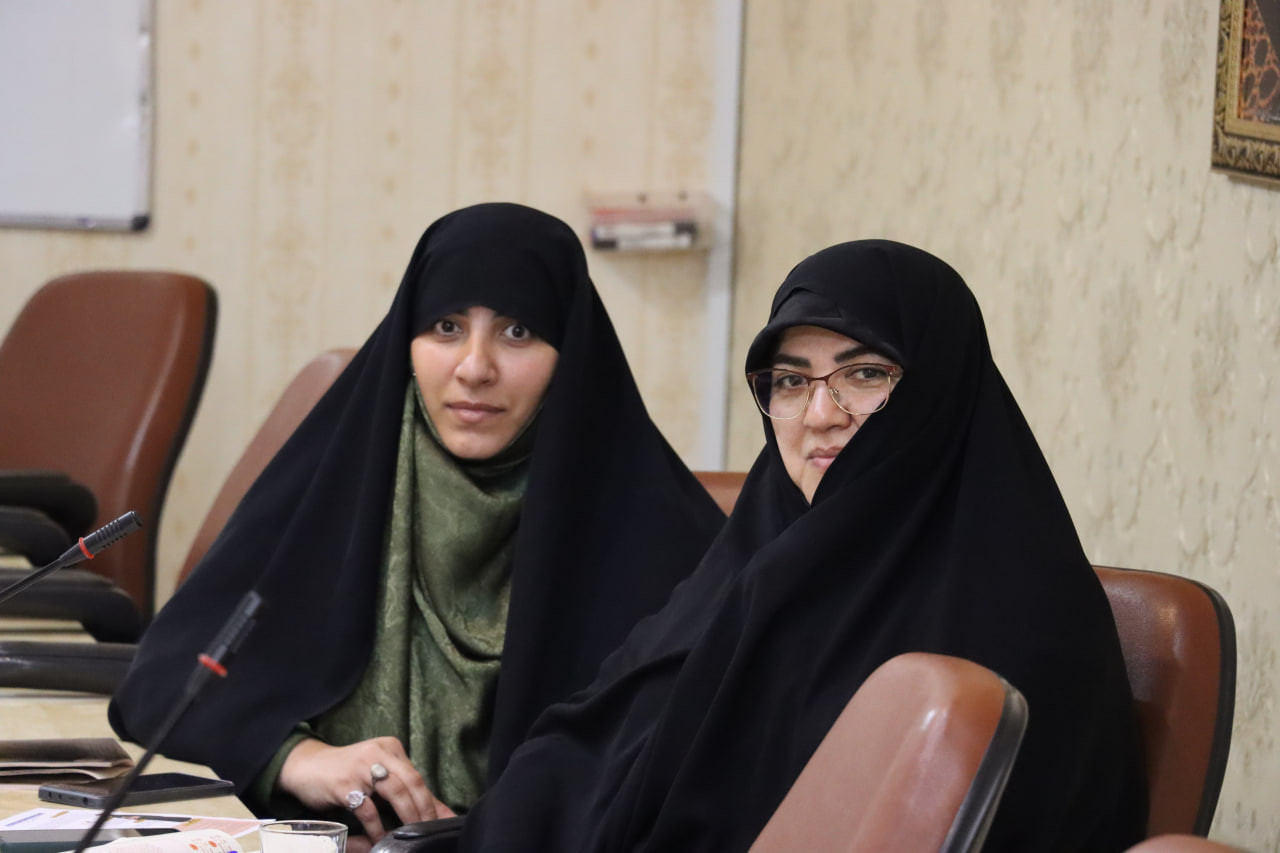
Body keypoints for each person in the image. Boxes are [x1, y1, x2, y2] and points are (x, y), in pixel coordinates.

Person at [453, 239, 1148, 852]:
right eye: (791, 380)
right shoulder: (752, 564)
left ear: (939, 388)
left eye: (865, 374)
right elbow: (588, 751)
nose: (819, 415)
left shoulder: (1021, 617)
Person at [108, 203, 726, 847]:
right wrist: (297, 758)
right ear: (407, 339)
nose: (474, 367)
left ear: (569, 351)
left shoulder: (672, 546)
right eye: (446, 327)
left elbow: (687, 778)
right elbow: (160, 682)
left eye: (518, 332)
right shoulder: (340, 478)